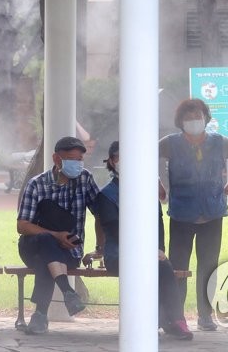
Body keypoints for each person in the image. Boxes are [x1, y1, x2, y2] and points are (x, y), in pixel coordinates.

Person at [160, 98, 228, 331]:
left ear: (206, 118)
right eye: (189, 118)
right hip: (181, 213)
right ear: (180, 122)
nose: (194, 121)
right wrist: (158, 182)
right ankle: (176, 317)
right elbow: (147, 155)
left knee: (208, 266)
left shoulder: (219, 141)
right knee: (178, 268)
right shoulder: (170, 143)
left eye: (198, 116)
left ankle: (205, 315)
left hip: (212, 212)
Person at [96, 141, 193, 340]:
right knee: (149, 266)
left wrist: (158, 250)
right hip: (119, 254)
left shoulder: (148, 190)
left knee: (162, 266)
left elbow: (158, 225)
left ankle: (174, 320)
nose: (124, 162)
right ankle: (154, 322)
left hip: (149, 253)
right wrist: (146, 251)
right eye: (118, 158)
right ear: (112, 163)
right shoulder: (106, 195)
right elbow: (115, 230)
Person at [17, 136, 103, 335]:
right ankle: (67, 292)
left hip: (69, 252)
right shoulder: (37, 184)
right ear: (57, 159)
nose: (78, 164)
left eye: (80, 160)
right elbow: (22, 226)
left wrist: (100, 247)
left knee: (45, 260)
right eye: (72, 160)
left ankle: (40, 315)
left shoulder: (85, 179)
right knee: (47, 242)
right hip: (32, 246)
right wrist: (55, 235)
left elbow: (100, 213)